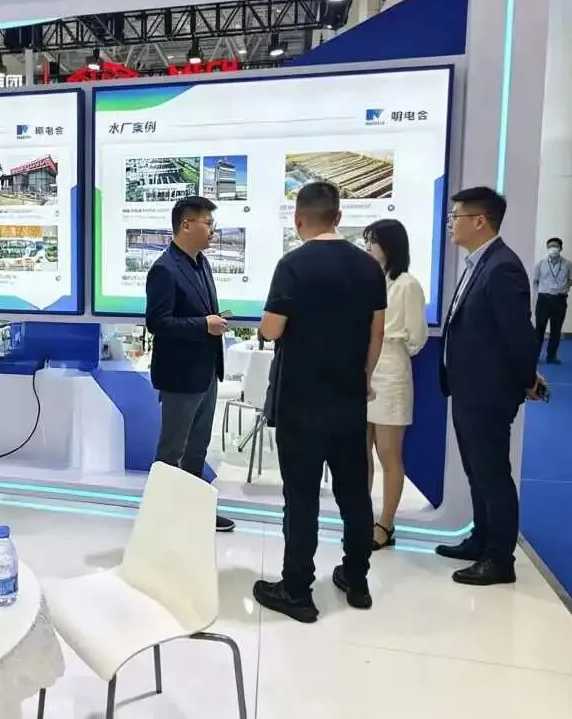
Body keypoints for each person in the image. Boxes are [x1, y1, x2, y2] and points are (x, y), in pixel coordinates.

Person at [252, 182, 386, 623]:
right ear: (338, 217)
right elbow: (377, 332)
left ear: (298, 220)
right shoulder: (368, 267)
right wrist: (363, 379)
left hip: (300, 402)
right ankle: (357, 580)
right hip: (348, 399)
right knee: (354, 494)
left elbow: (272, 329)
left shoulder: (292, 265)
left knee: (302, 497)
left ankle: (297, 590)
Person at [438, 187, 543, 586]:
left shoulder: (502, 267)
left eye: (456, 217)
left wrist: (527, 380)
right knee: (477, 472)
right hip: (469, 389)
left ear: (479, 220)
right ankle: (481, 540)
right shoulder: (479, 262)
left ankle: (500, 559)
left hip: (488, 394)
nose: (451, 224)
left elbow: (518, 335)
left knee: (493, 475)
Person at [145, 195, 235, 534]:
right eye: (207, 223)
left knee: (197, 449)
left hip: (206, 371)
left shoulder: (201, 263)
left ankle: (194, 513)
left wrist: (211, 322)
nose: (212, 230)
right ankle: (161, 519)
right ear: (186, 225)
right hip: (180, 376)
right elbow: (158, 322)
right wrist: (203, 325)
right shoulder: (164, 269)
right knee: (172, 451)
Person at [362, 219, 428, 550]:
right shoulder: (366, 280)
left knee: (389, 454)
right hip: (362, 370)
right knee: (360, 454)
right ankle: (360, 517)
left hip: (391, 371)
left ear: (390, 246)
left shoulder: (407, 285)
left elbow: (417, 338)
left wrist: (387, 346)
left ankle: (385, 524)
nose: (367, 247)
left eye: (372, 241)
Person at [532, 236, 572, 365]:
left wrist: (564, 288)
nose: (552, 249)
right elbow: (535, 281)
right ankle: (535, 355)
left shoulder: (568, 264)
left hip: (559, 300)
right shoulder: (540, 264)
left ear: (561, 248)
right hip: (544, 299)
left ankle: (551, 356)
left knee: (556, 330)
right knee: (539, 329)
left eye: (555, 246)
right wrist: (538, 296)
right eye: (550, 246)